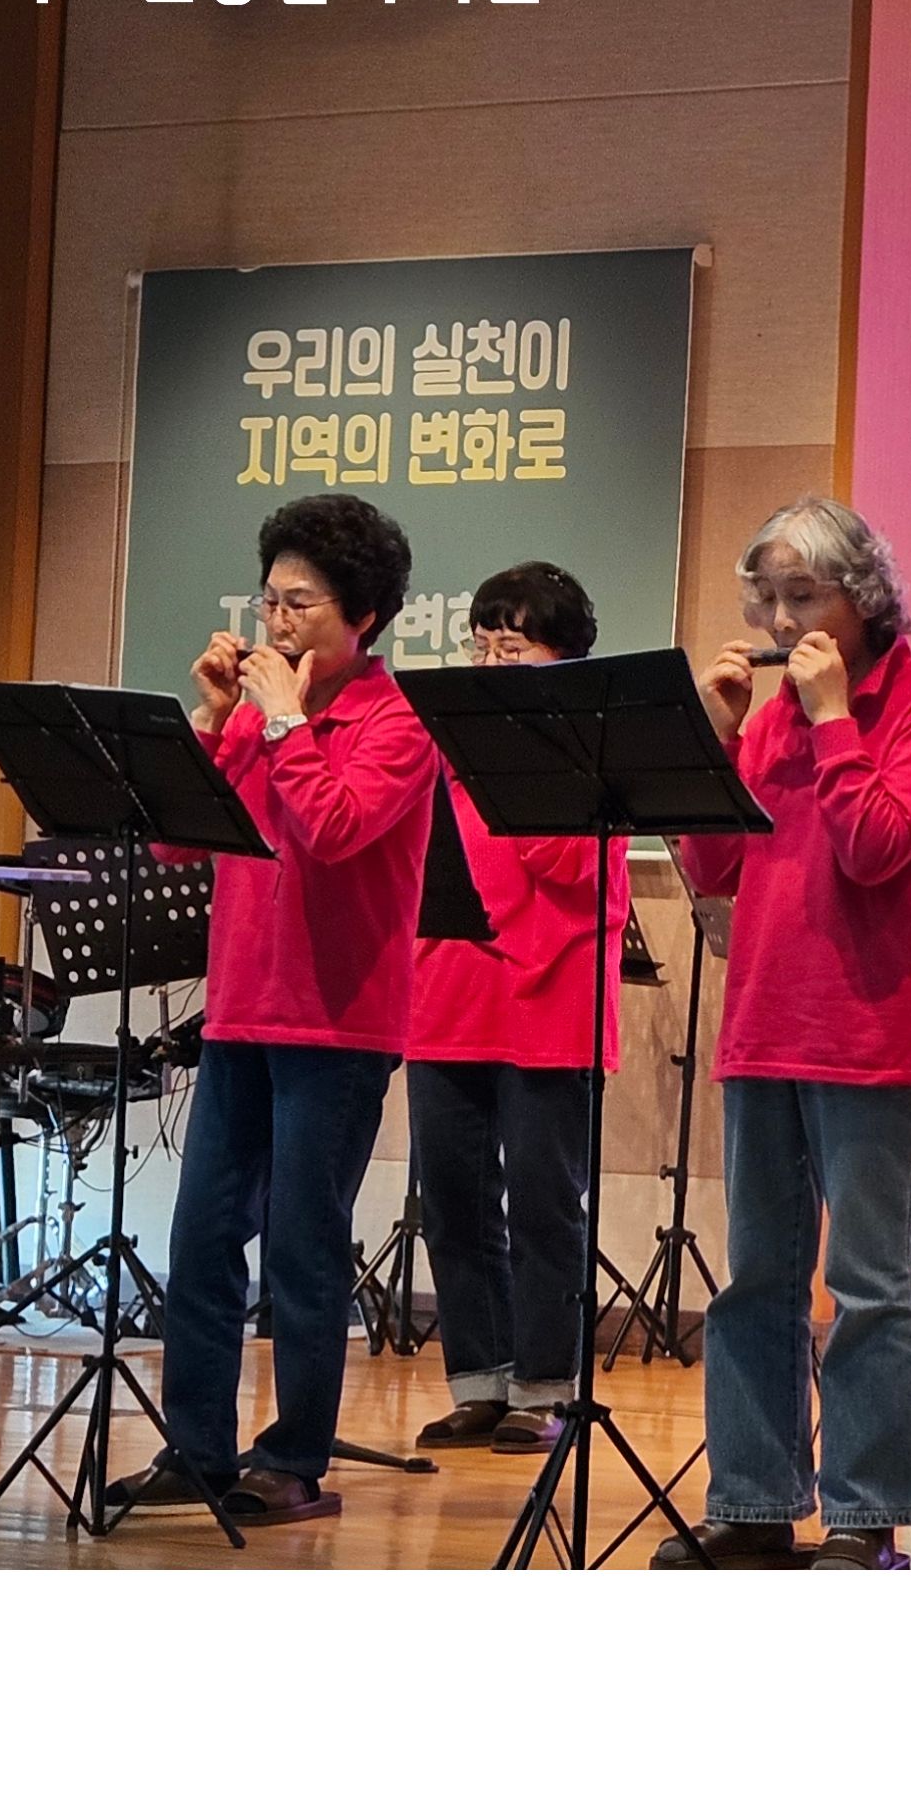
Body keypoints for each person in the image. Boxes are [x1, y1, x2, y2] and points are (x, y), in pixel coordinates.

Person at [658, 497, 911, 1569]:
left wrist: (834, 719)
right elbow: (713, 869)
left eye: (805, 596)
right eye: (769, 599)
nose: (784, 621)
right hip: (764, 1024)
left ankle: (866, 1511)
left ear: (865, 596)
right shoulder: (769, 722)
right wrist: (713, 743)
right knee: (756, 1278)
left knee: (870, 1285)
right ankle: (753, 1500)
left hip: (872, 1035)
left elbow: (876, 848)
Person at [121, 492, 440, 1527]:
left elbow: (336, 828)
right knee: (203, 1237)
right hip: (241, 1010)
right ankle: (195, 1447)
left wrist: (288, 723)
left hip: (337, 1023)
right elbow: (180, 841)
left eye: (300, 604)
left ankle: (295, 1456)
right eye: (269, 600)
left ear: (365, 616)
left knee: (304, 1246)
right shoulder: (260, 713)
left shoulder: (399, 723)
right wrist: (218, 721)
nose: (276, 622)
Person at [403, 561, 631, 1461]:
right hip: (448, 985)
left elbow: (568, 863)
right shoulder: (446, 738)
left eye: (514, 647)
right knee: (454, 1199)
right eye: (482, 646)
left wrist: (504, 763)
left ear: (566, 660)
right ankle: (480, 1381)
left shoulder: (591, 740)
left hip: (551, 992)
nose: (492, 664)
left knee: (543, 1204)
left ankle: (545, 1387)